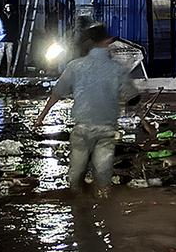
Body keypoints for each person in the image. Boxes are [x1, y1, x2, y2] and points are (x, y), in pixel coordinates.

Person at [34, 24, 139, 198]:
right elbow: (133, 97)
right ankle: (103, 206)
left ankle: (79, 205)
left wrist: (40, 118)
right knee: (103, 176)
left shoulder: (75, 66)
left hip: (82, 129)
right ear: (107, 41)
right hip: (106, 130)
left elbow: (57, 93)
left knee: (75, 175)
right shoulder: (117, 69)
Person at [0, 3, 17, 76]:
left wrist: (16, 37)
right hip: (1, 39)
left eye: (9, 6)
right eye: (7, 6)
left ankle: (8, 72)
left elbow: (15, 27)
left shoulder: (13, 16)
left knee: (9, 57)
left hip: (10, 39)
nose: (8, 8)